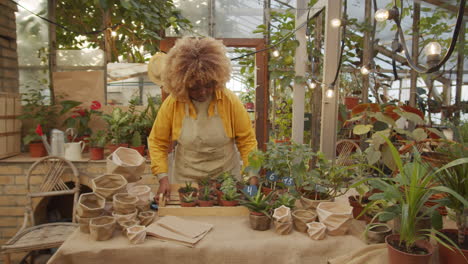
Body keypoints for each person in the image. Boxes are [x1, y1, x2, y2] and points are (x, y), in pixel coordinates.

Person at [148, 37, 257, 202]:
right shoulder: (173, 103)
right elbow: (157, 141)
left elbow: (247, 141)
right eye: (195, 87)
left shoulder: (229, 101)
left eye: (208, 85)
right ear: (182, 85)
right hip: (186, 179)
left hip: (226, 179)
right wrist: (163, 178)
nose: (203, 92)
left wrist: (252, 175)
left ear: (216, 79)